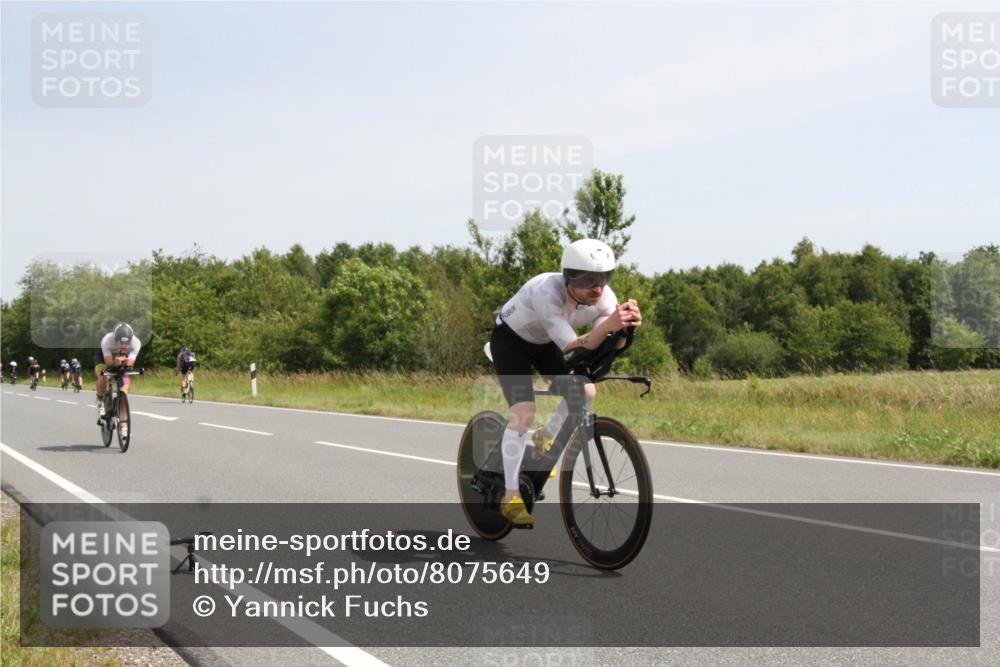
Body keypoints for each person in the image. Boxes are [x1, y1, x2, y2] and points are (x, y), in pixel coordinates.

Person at [489, 239, 642, 527]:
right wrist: (611, 325)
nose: (597, 288)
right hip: (511, 341)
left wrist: (625, 330)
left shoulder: (605, 298)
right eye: (587, 280)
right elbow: (573, 346)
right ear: (569, 276)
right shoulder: (546, 292)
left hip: (545, 343)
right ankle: (510, 496)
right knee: (524, 411)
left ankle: (544, 436)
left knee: (585, 391)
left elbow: (602, 343)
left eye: (603, 278)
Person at [95, 323, 141, 428]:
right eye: (121, 343)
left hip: (121, 363)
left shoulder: (136, 342)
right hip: (103, 359)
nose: (124, 346)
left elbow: (130, 364)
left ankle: (123, 424)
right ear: (115, 339)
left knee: (124, 389)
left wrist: (124, 362)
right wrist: (116, 362)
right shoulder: (107, 340)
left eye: (127, 343)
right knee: (104, 377)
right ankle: (100, 400)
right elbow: (109, 363)